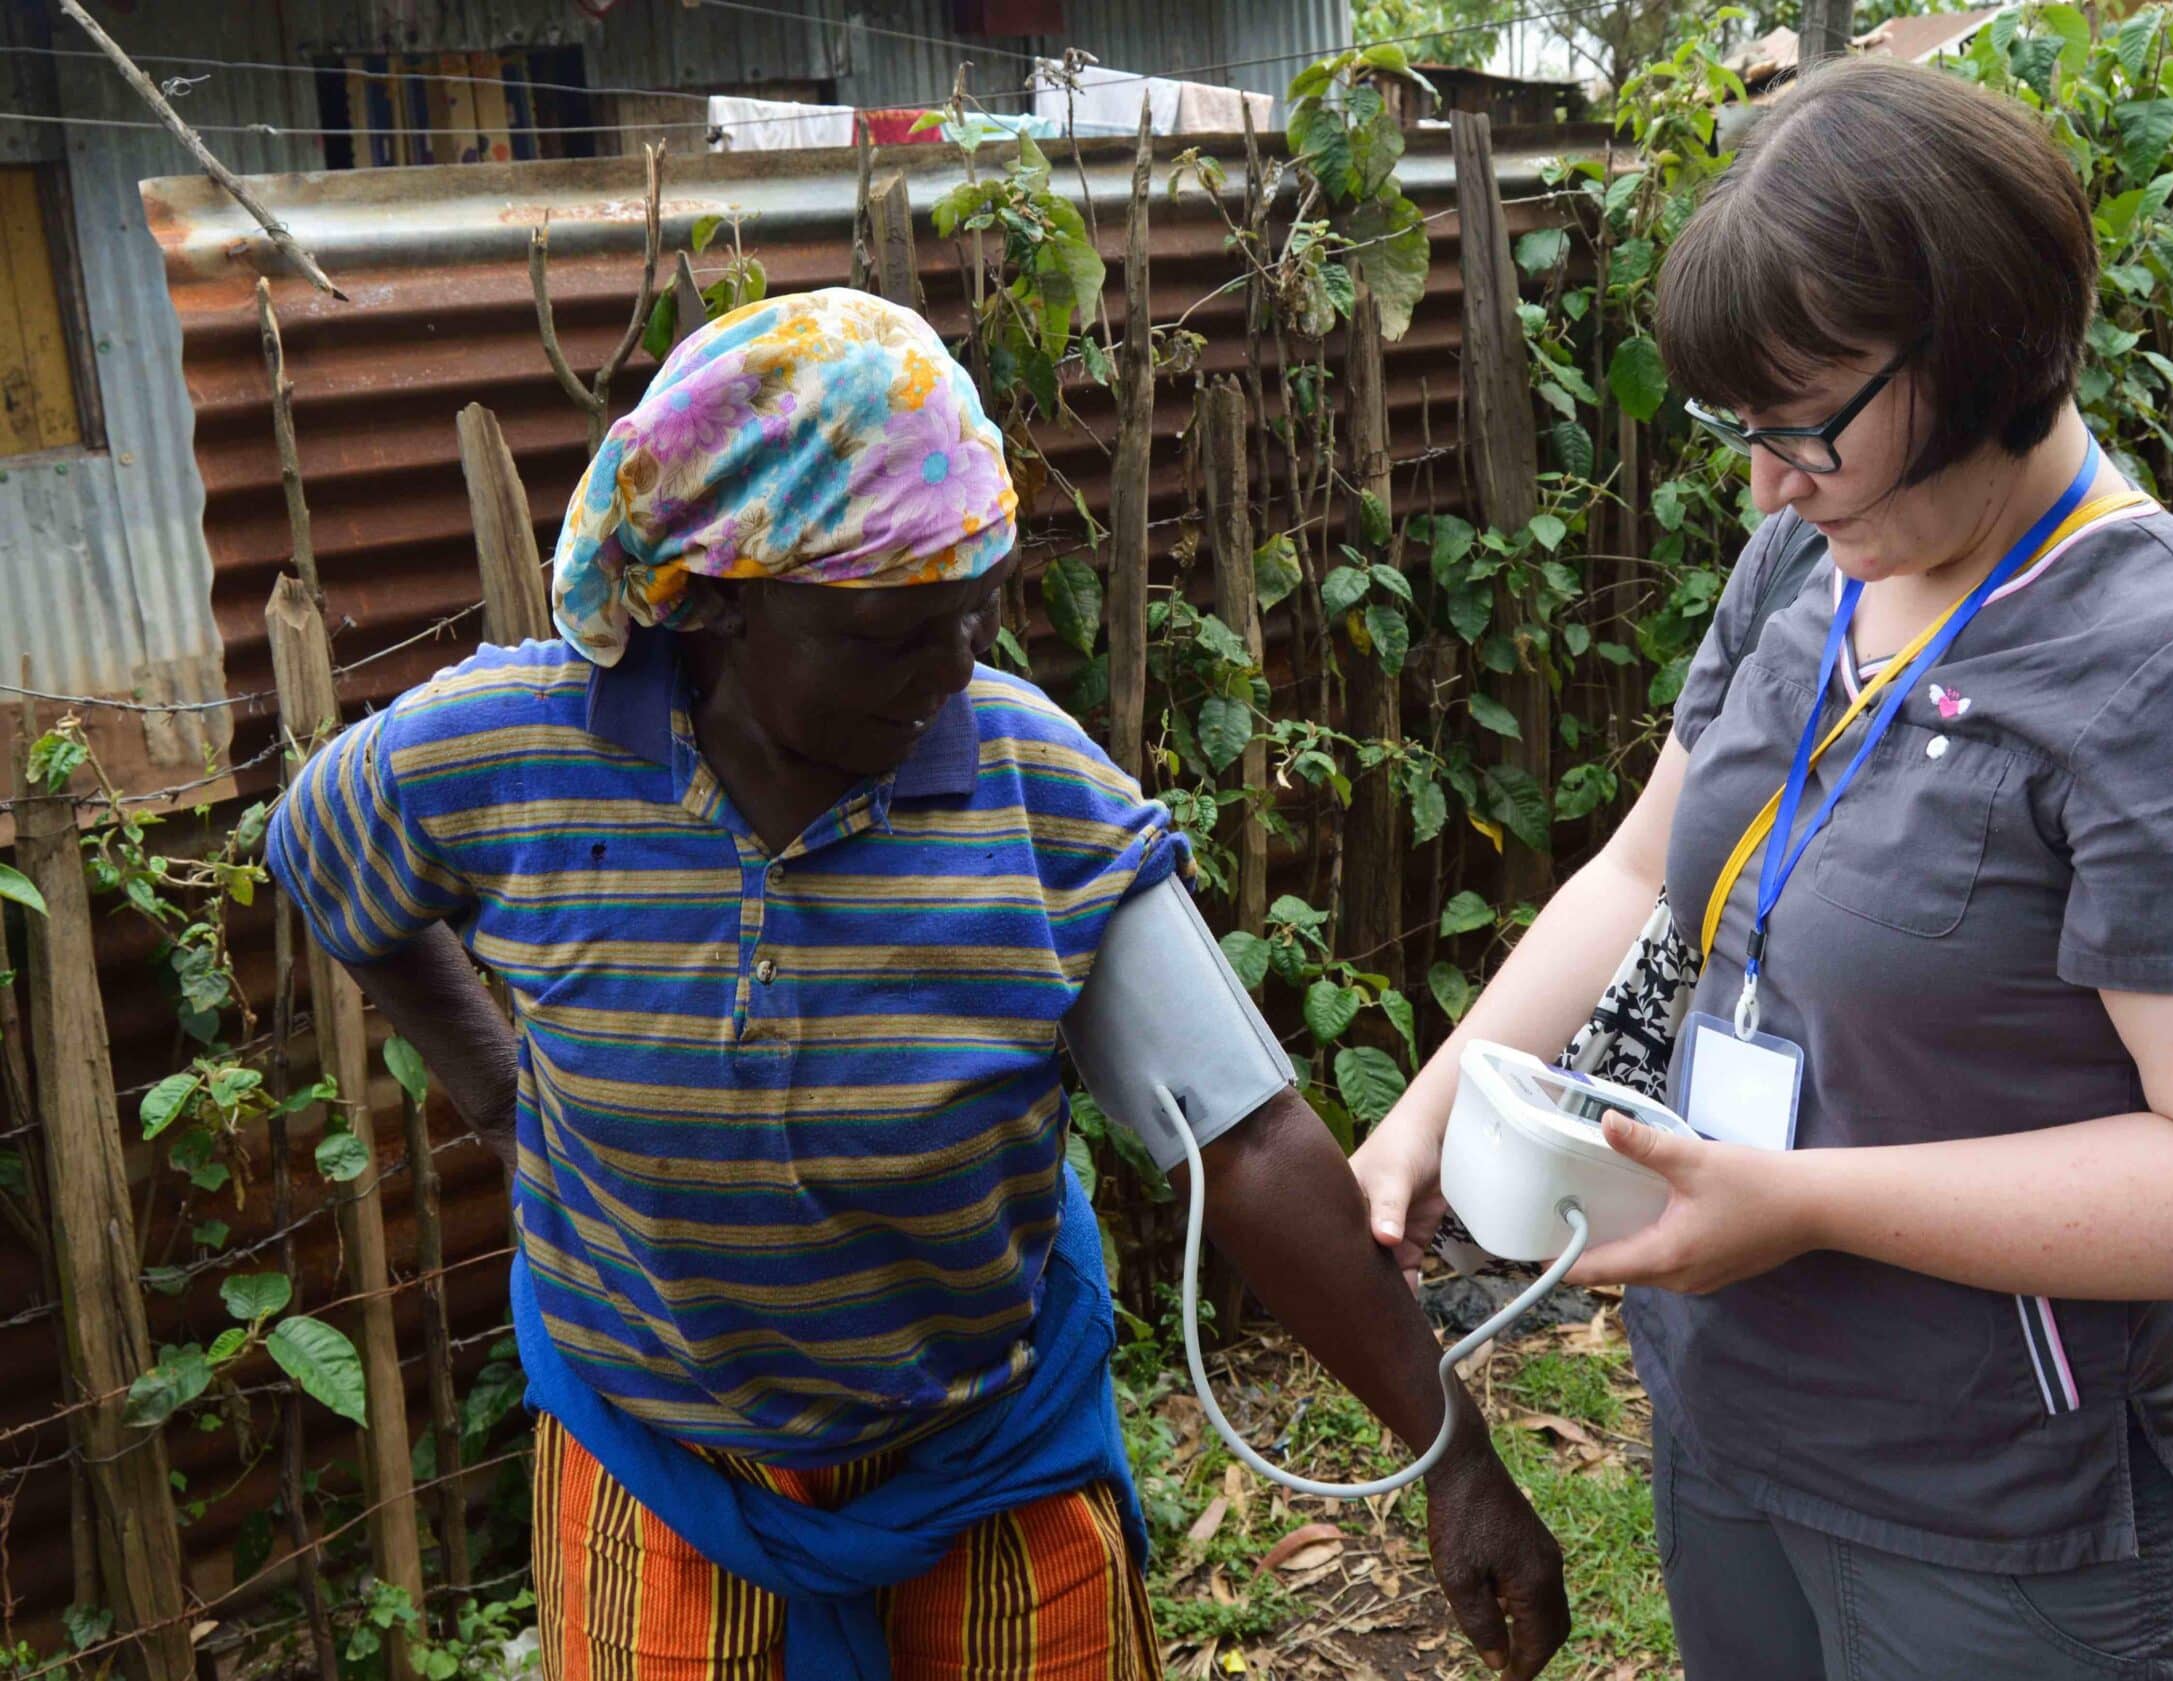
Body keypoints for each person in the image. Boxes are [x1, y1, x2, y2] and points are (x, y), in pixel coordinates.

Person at [268, 288, 1567, 1681]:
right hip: (655, 1467)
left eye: (975, 615)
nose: (953, 671)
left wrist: (1452, 1451)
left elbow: (1244, 1141)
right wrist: (496, 1090)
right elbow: (321, 850)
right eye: (896, 634)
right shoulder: (505, 754)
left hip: (984, 1464)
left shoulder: (1029, 791)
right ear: (712, 605)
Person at [1353, 58, 2173, 1681]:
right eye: (1743, 428)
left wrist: (1804, 1203)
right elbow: (1642, 870)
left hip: (2008, 1502)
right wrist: (1436, 1102)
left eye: (1804, 426)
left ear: (1986, 352)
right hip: (1739, 1416)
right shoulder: (1808, 560)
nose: (1763, 481)